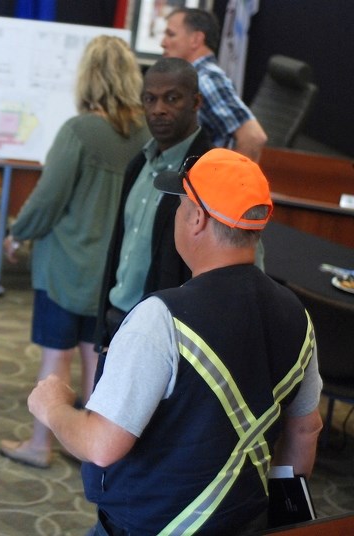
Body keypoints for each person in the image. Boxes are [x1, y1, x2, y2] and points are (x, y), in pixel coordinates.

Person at [28, 147, 323, 535]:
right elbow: (305, 430)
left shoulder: (160, 319)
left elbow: (102, 445)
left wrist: (52, 407)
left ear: (197, 219)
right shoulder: (296, 314)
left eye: (181, 206)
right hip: (245, 522)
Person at [0, 36, 149, 469]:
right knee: (97, 360)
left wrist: (17, 235)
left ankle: (40, 445)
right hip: (116, 273)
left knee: (54, 359)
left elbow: (48, 199)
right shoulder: (144, 136)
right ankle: (87, 447)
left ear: (88, 76)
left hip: (66, 269)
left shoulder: (79, 131)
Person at [94, 57, 213, 349]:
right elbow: (120, 247)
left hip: (167, 334)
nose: (159, 109)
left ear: (195, 102)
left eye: (172, 99)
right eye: (150, 99)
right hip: (118, 318)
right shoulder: (139, 165)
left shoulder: (209, 173)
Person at [161, 7, 268, 161]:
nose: (163, 43)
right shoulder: (195, 78)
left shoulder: (206, 79)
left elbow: (253, 137)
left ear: (196, 40)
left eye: (171, 34)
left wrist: (232, 182)